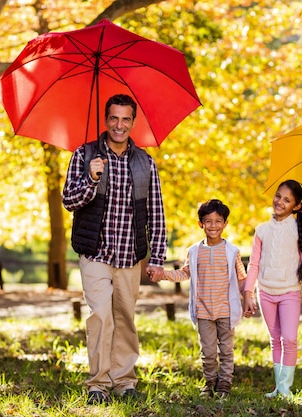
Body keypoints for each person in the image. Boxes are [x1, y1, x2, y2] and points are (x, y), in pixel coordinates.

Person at [62, 93, 167, 405]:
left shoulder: (145, 162)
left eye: (125, 119)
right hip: (95, 252)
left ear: (133, 123)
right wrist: (92, 178)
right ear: (105, 120)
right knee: (101, 316)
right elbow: (70, 200)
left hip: (129, 256)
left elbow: (156, 213)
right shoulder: (85, 155)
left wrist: (157, 257)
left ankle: (124, 381)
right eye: (114, 118)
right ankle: (97, 384)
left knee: (124, 318)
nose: (119, 125)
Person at [151, 199, 247, 399]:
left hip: (226, 310)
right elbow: (185, 274)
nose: (213, 226)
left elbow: (242, 278)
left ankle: (224, 385)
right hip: (203, 310)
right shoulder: (194, 251)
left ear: (225, 223)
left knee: (227, 351)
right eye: (208, 221)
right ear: (200, 224)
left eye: (218, 221)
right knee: (208, 351)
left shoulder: (232, 252)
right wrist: (165, 274)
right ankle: (210, 382)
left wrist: (249, 299)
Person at [243, 179, 302, 398]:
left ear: (296, 206)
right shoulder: (261, 230)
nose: (280, 202)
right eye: (278, 196)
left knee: (289, 338)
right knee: (275, 339)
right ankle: (278, 387)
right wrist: (248, 293)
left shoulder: (301, 230)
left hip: (290, 291)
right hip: (266, 293)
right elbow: (253, 264)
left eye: (287, 200)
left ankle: (285, 388)